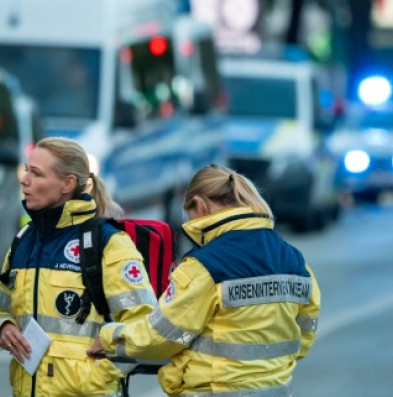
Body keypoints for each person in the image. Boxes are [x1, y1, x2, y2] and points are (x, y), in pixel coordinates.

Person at [88, 164, 321, 396]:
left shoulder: (206, 265)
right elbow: (305, 334)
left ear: (199, 205)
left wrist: (109, 337)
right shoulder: (295, 261)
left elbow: (159, 337)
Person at [0, 137, 157, 397]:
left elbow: (145, 327)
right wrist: (3, 326)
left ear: (67, 184)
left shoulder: (109, 243)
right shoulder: (24, 240)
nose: (24, 180)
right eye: (26, 170)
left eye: (36, 174)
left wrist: (97, 377)